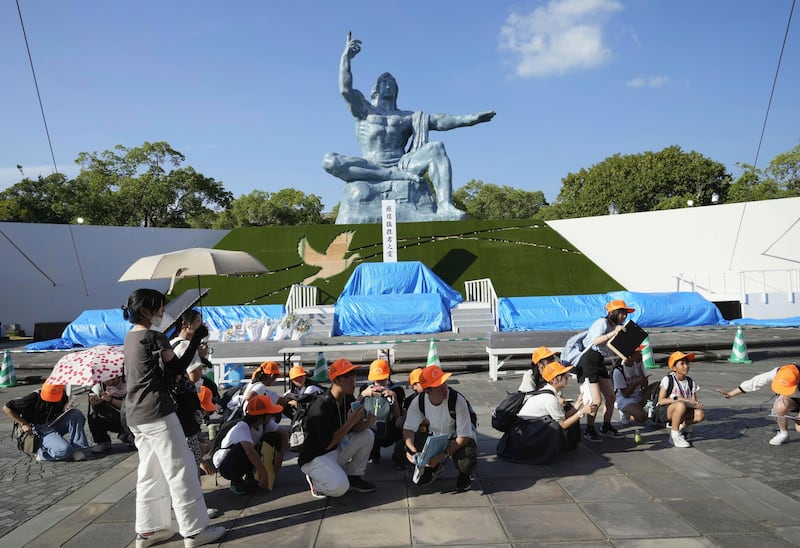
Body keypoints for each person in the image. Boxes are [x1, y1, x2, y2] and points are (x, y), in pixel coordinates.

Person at [322, 32, 495, 220]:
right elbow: (345, 89)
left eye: (392, 82)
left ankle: (445, 205)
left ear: (397, 90)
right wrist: (345, 58)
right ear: (376, 88)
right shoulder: (364, 110)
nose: (388, 84)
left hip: (403, 164)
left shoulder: (408, 117)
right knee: (330, 161)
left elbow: (439, 120)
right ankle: (389, 174)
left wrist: (470, 119)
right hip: (370, 165)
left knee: (436, 148)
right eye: (384, 81)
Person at [122, 288, 225, 548]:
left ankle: (149, 530)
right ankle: (194, 531)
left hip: (135, 414)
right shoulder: (154, 338)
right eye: (158, 308)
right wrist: (196, 340)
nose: (162, 312)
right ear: (145, 311)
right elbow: (177, 369)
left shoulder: (130, 337)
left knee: (150, 471)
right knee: (182, 470)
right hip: (157, 411)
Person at [298, 358, 376, 498]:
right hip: (315, 457)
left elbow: (355, 429)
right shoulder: (320, 406)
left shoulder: (347, 398)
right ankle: (316, 481)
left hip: (334, 451)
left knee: (367, 434)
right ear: (335, 381)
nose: (353, 379)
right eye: (347, 376)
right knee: (340, 488)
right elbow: (328, 443)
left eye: (353, 374)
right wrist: (350, 423)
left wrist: (366, 424)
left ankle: (354, 478)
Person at [499, 362, 594, 463]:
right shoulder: (550, 398)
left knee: (555, 421)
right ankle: (542, 454)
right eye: (563, 375)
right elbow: (563, 424)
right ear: (553, 380)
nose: (567, 377)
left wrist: (577, 405)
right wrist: (582, 412)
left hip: (522, 432)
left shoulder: (548, 393)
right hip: (523, 436)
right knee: (554, 425)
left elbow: (563, 416)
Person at [402, 365, 477, 492]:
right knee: (402, 451)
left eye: (444, 383)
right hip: (435, 437)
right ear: (427, 391)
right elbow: (408, 429)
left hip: (457, 437)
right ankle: (434, 468)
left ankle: (466, 474)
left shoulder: (457, 400)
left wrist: (443, 455)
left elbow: (463, 437)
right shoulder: (419, 401)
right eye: (438, 386)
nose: (444, 389)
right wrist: (412, 450)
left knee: (466, 458)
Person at [576, 299, 632, 442]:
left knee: (611, 397)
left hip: (599, 362)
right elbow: (595, 341)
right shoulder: (602, 323)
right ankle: (589, 429)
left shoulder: (616, 327)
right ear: (612, 313)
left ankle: (606, 426)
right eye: (621, 313)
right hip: (588, 361)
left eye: (625, 314)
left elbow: (610, 349)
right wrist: (613, 333)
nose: (624, 316)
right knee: (595, 400)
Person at [4, 382, 98, 462]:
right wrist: (24, 423)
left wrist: (66, 407)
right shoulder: (33, 398)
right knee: (64, 450)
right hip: (39, 428)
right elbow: (7, 408)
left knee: (75, 414)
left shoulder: (62, 394)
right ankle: (42, 454)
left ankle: (79, 448)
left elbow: (60, 411)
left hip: (54, 422)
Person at [212, 395, 284, 495]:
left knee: (274, 437)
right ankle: (236, 482)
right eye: (270, 414)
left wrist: (279, 459)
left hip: (242, 457)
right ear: (262, 416)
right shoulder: (243, 426)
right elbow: (249, 451)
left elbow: (283, 435)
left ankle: (251, 477)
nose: (272, 416)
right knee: (244, 449)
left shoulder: (264, 423)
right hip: (226, 465)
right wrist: (264, 474)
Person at [717, 363, 800, 445]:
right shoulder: (780, 372)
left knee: (799, 428)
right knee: (779, 406)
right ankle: (783, 433)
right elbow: (755, 382)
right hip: (792, 400)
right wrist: (730, 394)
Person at [358, 359, 405, 464]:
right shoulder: (365, 388)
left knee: (402, 426)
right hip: (371, 426)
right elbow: (355, 409)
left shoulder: (397, 390)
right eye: (376, 379)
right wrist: (363, 395)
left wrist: (394, 397)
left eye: (382, 379)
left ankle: (399, 456)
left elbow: (398, 416)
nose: (379, 382)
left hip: (390, 426)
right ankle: (373, 454)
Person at [655, 351, 705, 448]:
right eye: (682, 364)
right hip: (665, 411)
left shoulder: (690, 382)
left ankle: (680, 425)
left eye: (687, 363)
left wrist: (695, 404)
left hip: (683, 410)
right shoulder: (668, 379)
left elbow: (693, 402)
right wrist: (678, 399)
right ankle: (675, 435)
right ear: (674, 368)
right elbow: (661, 401)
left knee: (700, 414)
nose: (685, 366)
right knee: (680, 405)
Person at [392, 367, 427, 470]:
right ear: (413, 386)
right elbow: (401, 422)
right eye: (422, 382)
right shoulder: (410, 401)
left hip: (435, 431)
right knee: (400, 447)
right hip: (417, 432)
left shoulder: (434, 394)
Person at [88, 375, 135, 449]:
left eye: (108, 379)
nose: (105, 382)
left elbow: (129, 406)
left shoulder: (129, 383)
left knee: (125, 437)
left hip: (127, 418)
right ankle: (103, 441)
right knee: (93, 417)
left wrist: (111, 400)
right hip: (110, 417)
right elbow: (93, 399)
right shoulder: (99, 386)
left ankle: (130, 437)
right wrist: (94, 401)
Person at [611, 346, 650, 425]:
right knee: (641, 416)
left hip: (637, 394)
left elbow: (645, 384)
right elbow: (625, 394)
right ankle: (625, 411)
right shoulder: (619, 371)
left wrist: (639, 368)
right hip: (624, 399)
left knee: (657, 387)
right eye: (638, 353)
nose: (641, 354)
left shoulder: (638, 364)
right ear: (630, 355)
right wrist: (636, 383)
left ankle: (636, 409)